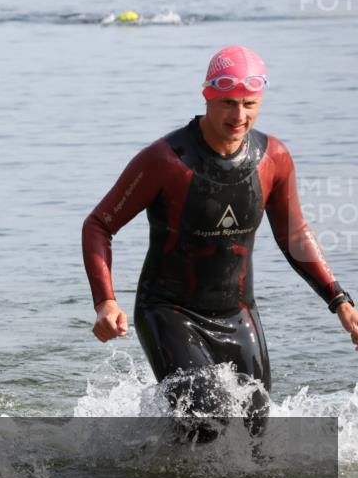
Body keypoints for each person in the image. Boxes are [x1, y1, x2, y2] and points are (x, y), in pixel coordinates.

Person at [82, 45, 358, 424]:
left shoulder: (272, 157)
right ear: (207, 95)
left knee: (257, 430)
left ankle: (161, 473)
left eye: (249, 104)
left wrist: (339, 300)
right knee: (209, 421)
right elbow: (99, 225)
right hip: (169, 311)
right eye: (228, 103)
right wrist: (105, 302)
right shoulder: (165, 161)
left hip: (238, 312)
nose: (239, 115)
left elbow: (294, 234)